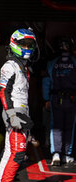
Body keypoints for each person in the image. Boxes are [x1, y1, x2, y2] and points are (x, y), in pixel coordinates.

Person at [0, 28, 36, 182]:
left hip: (22, 114)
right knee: (18, 153)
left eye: (30, 45)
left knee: (9, 152)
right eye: (23, 44)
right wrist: (12, 115)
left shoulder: (23, 66)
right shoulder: (9, 66)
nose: (27, 47)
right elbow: (3, 92)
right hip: (14, 114)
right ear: (14, 44)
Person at [42, 37, 76, 166]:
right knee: (69, 127)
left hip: (56, 99)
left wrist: (46, 99)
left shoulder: (52, 63)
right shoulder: (75, 61)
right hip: (72, 99)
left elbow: (46, 82)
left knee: (55, 126)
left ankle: (56, 153)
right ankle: (67, 154)